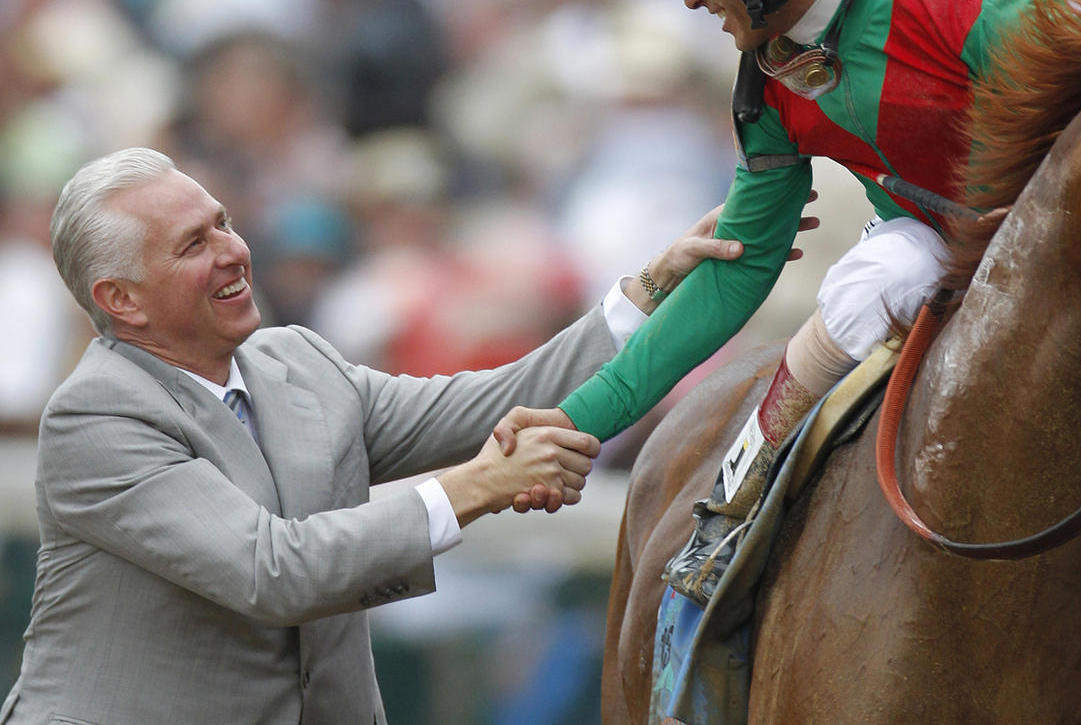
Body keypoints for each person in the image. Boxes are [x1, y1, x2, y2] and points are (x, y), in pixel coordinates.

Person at [498, 0, 1052, 605]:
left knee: (883, 274)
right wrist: (581, 420)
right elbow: (736, 270)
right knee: (883, 269)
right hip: (934, 250)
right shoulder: (767, 77)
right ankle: (725, 527)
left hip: (1073, 255)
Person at [0, 146, 747, 725]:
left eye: (223, 222)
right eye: (192, 244)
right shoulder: (96, 416)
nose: (232, 250)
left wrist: (646, 293)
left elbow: (491, 403)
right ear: (120, 300)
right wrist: (480, 485)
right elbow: (270, 571)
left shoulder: (295, 359)